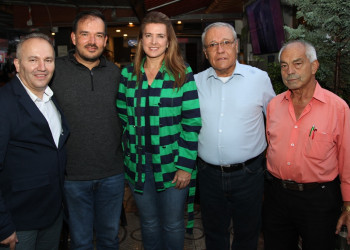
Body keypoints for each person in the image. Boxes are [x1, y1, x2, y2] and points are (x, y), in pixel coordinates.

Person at [116, 11, 201, 250]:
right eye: (148, 36)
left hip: (173, 167)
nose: (154, 42)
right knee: (150, 223)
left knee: (173, 224)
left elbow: (192, 122)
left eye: (160, 36)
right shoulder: (128, 75)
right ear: (141, 40)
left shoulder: (183, 73)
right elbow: (123, 118)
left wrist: (185, 166)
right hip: (138, 167)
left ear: (168, 41)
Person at [0, 33, 69, 250]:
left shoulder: (51, 99)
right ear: (17, 64)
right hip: (19, 223)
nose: (42, 67)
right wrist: (0, 225)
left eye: (48, 60)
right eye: (33, 59)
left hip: (52, 215)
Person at [194, 22, 275, 250]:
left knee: (247, 234)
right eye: (212, 44)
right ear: (205, 52)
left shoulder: (259, 78)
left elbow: (276, 121)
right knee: (214, 233)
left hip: (249, 174)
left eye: (226, 42)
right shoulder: (195, 83)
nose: (220, 49)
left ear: (236, 46)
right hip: (208, 175)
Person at [263, 40, 350, 250]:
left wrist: (348, 205)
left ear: (314, 66)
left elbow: (347, 160)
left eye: (297, 63)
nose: (289, 71)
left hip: (318, 200)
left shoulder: (337, 108)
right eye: (284, 65)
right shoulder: (274, 105)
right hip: (277, 196)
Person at [50, 10, 125, 250]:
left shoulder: (117, 74)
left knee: (109, 240)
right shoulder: (54, 71)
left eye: (98, 35)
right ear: (73, 38)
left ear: (105, 40)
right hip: (72, 176)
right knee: (80, 242)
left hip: (112, 174)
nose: (92, 41)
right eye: (85, 34)